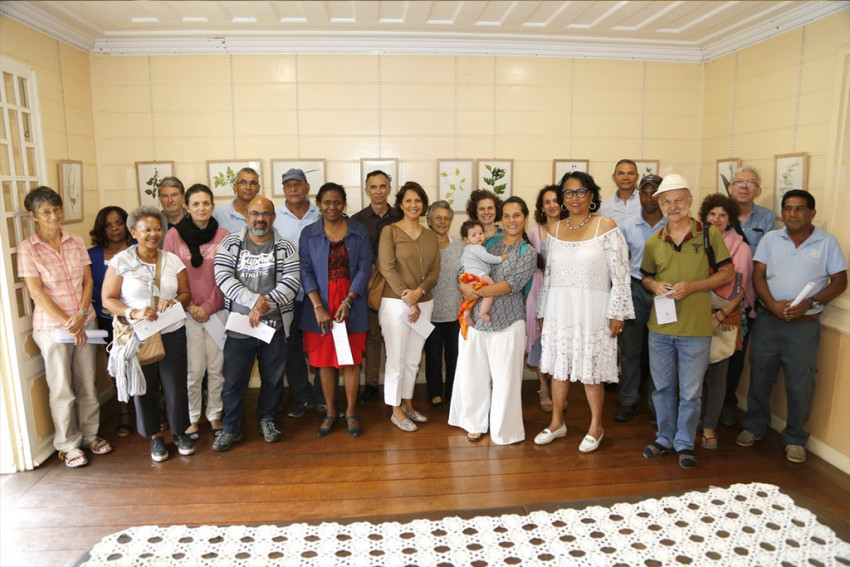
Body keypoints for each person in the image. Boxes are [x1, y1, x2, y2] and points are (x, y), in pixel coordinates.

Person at [736, 190, 847, 464]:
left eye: (799, 209)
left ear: (812, 213)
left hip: (804, 327)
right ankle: (754, 426)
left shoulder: (827, 243)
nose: (792, 214)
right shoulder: (772, 239)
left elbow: (839, 282)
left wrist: (809, 303)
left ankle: (796, 438)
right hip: (768, 322)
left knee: (801, 385)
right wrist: (771, 303)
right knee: (760, 378)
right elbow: (758, 276)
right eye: (787, 209)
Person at [533, 172, 633, 453]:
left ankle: (596, 427)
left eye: (580, 192)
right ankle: (557, 423)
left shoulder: (607, 225)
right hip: (559, 307)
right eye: (568, 193)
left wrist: (618, 312)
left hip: (594, 309)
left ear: (591, 195)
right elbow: (549, 276)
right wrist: (542, 308)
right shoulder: (555, 229)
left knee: (592, 371)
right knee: (558, 369)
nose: (574, 198)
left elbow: (621, 275)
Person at [640, 174, 734, 469]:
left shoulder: (708, 235)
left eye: (679, 199)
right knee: (663, 388)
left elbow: (727, 273)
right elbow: (646, 276)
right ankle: (664, 438)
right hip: (660, 329)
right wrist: (654, 286)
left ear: (690, 201)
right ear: (659, 204)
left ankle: (684, 442)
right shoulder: (655, 240)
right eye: (666, 201)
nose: (673, 206)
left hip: (696, 329)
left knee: (692, 392)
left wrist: (693, 286)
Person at [18, 186, 112, 469]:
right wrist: (67, 321)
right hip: (52, 327)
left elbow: (88, 282)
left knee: (87, 382)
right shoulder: (28, 249)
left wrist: (81, 313)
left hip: (85, 320)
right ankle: (68, 444)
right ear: (34, 216)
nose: (54, 216)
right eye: (46, 212)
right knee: (61, 388)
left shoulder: (75, 240)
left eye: (57, 209)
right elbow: (37, 294)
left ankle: (91, 435)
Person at [102, 206, 193, 462]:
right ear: (133, 232)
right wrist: (134, 312)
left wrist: (173, 302)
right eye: (146, 229)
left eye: (157, 229)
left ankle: (180, 432)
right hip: (139, 335)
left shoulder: (172, 260)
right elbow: (107, 299)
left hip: (172, 332)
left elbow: (186, 294)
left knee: (175, 386)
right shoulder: (121, 262)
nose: (153, 234)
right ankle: (154, 437)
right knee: (144, 387)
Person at [212, 196, 299, 451]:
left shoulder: (285, 247)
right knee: (233, 382)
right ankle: (231, 428)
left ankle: (267, 419)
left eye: (265, 214)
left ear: (273, 217)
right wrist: (253, 303)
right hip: (240, 325)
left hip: (274, 326)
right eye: (254, 213)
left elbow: (292, 283)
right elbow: (223, 277)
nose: (260, 219)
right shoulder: (230, 243)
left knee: (272, 379)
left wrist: (264, 305)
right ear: (247, 216)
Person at [449, 197, 537, 444]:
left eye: (517, 215)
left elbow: (511, 285)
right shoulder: (489, 242)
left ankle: (504, 430)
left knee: (505, 381)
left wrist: (475, 292)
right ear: (502, 218)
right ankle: (474, 422)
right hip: (477, 320)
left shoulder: (527, 252)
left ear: (524, 218)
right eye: (507, 215)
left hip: (509, 323)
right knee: (473, 374)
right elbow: (465, 267)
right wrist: (463, 284)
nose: (511, 220)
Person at [299, 183, 372, 437]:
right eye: (327, 202)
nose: (332, 207)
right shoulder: (308, 233)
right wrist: (318, 306)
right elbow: (305, 270)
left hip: (352, 302)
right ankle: (331, 412)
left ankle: (351, 412)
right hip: (318, 303)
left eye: (337, 202)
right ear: (319, 204)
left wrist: (349, 301)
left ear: (344, 204)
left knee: (351, 361)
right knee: (324, 363)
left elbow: (365, 268)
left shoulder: (359, 231)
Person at [163, 184, 228, 440]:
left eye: (206, 203)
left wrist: (209, 307)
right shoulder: (173, 236)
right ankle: (191, 417)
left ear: (212, 205)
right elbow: (170, 277)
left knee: (216, 368)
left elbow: (227, 277)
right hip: (185, 312)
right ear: (187, 208)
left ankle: (214, 415)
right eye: (196, 204)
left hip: (216, 311)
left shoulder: (223, 235)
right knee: (193, 370)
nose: (201, 208)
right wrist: (190, 306)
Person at [377, 181, 440, 432]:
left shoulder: (430, 235)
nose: (414, 205)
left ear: (423, 205)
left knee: (414, 360)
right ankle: (395, 410)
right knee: (397, 357)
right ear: (401, 204)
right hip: (395, 302)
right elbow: (386, 267)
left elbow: (435, 271)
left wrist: (419, 293)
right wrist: (408, 296)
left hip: (424, 303)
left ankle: (409, 404)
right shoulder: (389, 232)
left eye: (418, 200)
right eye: (409, 200)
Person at [697, 194, 754, 450]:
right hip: (694, 314)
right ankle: (693, 421)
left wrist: (719, 315)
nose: (716, 219)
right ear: (705, 216)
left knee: (717, 377)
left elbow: (740, 288)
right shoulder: (695, 241)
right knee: (692, 376)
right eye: (712, 214)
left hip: (725, 316)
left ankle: (709, 427)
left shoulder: (740, 247)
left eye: (722, 215)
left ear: (729, 219)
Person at [721, 165, 775, 426]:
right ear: (730, 188)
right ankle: (706, 404)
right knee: (709, 353)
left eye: (750, 183)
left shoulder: (767, 218)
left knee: (736, 353)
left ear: (759, 191)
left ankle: (727, 404)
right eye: (739, 182)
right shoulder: (720, 214)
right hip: (716, 295)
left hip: (748, 299)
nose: (744, 186)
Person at [615, 175, 666, 423]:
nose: (648, 199)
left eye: (654, 193)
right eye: (644, 193)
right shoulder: (628, 226)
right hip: (635, 289)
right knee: (630, 351)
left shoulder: (673, 225)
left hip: (664, 293)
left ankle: (657, 406)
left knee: (660, 351)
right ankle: (628, 401)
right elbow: (619, 263)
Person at [272, 168, 322, 418]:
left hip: (319, 298)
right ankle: (302, 397)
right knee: (292, 349)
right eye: (288, 185)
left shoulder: (321, 213)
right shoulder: (275, 217)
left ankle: (322, 396)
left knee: (321, 346)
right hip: (287, 296)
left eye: (298, 184)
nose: (293, 189)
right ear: (283, 190)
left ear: (307, 187)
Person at [351, 170, 400, 405]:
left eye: (383, 186)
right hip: (368, 286)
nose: (378, 191)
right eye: (373, 187)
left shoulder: (400, 216)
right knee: (371, 336)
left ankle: (396, 385)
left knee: (396, 338)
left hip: (397, 287)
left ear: (389, 189)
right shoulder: (357, 220)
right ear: (367, 190)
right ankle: (371, 384)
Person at [88, 206, 134, 437]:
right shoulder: (92, 255)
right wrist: (108, 305)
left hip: (138, 318)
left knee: (145, 361)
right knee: (117, 365)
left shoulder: (139, 248)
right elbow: (90, 287)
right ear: (101, 229)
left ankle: (152, 409)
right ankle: (124, 411)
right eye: (108, 225)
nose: (115, 228)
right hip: (108, 320)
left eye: (119, 223)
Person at [527, 185, 566, 413]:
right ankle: (544, 387)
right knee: (541, 340)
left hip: (563, 293)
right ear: (542, 207)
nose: (552, 205)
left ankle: (559, 389)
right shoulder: (534, 231)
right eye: (547, 202)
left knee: (560, 342)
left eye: (555, 200)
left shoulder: (573, 229)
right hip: (539, 291)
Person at [423, 201, 464, 410]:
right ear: (429, 221)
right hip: (429, 312)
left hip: (456, 312)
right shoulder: (423, 245)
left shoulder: (460, 246)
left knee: (455, 356)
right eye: (437, 217)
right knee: (433, 356)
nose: (442, 222)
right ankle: (435, 393)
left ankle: (453, 392)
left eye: (446, 218)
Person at [457, 219, 508, 337]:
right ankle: (483, 312)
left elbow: (462, 262)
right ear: (466, 239)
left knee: (471, 295)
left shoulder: (467, 249)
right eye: (474, 235)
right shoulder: (476, 248)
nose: (478, 237)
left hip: (468, 275)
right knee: (491, 287)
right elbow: (488, 258)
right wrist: (500, 258)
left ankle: (467, 313)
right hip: (477, 273)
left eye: (480, 233)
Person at [211, 167, 261, 234]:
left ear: (258, 188)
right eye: (242, 183)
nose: (248, 187)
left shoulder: (267, 214)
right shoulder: (219, 215)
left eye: (252, 183)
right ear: (235, 187)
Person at [598, 159, 640, 225]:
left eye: (630, 173)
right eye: (621, 174)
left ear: (637, 177)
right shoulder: (604, 208)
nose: (625, 177)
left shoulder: (646, 203)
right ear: (614, 177)